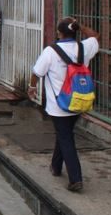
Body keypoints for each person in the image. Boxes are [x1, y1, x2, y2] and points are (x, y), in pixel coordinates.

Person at [28, 18, 99, 192]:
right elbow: (95, 36)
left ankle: (76, 179)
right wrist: (80, 25)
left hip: (58, 105)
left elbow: (37, 72)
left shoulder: (51, 51)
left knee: (66, 138)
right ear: (74, 32)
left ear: (59, 33)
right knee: (64, 133)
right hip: (78, 101)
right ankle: (55, 166)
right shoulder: (84, 47)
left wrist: (32, 87)